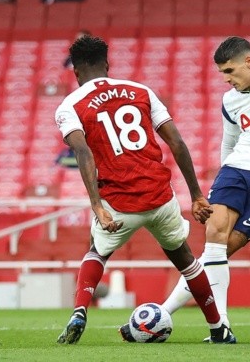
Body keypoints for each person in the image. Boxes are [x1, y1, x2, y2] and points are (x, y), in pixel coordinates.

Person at [118, 0, 250, 343]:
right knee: (213, 240)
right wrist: (215, 182)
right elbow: (229, 142)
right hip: (235, 172)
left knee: (222, 252)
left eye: (231, 71)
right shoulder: (229, 100)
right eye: (222, 74)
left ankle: (162, 312)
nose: (227, 79)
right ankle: (220, 327)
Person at [54, 35, 232, 344]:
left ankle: (79, 311)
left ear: (76, 73)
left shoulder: (70, 106)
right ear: (107, 65)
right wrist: (196, 195)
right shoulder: (141, 91)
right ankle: (218, 328)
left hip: (119, 202)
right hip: (160, 197)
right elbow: (176, 141)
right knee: (187, 261)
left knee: (97, 252)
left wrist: (97, 205)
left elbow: (83, 153)